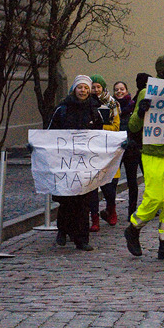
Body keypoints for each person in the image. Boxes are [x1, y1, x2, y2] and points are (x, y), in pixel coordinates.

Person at [124, 55, 164, 260]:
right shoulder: (146, 92)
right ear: (163, 71)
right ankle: (134, 228)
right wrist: (141, 111)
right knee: (154, 198)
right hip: (153, 154)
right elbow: (133, 126)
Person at [48, 75, 104, 251]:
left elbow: (101, 137)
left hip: (85, 163)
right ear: (74, 89)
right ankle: (63, 230)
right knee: (67, 199)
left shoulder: (95, 111)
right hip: (66, 162)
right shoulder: (62, 109)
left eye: (86, 88)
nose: (83, 91)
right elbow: (50, 133)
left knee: (83, 201)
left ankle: (82, 239)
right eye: (80, 87)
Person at [89, 74, 121, 231]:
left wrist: (100, 128)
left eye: (98, 87)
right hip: (91, 149)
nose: (95, 90)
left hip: (108, 148)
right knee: (92, 186)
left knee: (109, 185)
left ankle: (111, 209)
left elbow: (116, 126)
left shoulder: (112, 104)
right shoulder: (86, 104)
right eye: (93, 87)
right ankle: (94, 218)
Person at [113, 81, 142, 222]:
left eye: (122, 89)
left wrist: (131, 141)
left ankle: (132, 210)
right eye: (117, 89)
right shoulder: (111, 107)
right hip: (116, 150)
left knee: (132, 181)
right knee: (112, 181)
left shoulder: (132, 106)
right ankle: (111, 209)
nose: (119, 91)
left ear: (126, 90)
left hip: (131, 149)